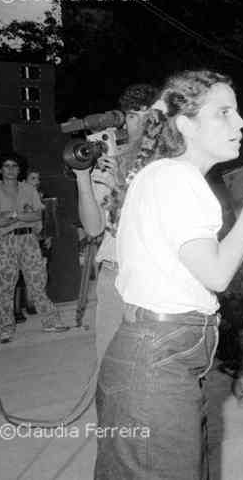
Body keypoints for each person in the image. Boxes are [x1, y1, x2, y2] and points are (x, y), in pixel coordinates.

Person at [94, 70, 243, 480]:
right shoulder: (177, 178)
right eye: (224, 113)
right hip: (156, 366)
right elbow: (216, 273)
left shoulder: (164, 175)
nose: (240, 123)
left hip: (161, 358)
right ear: (186, 125)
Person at [73, 83, 159, 361]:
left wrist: (119, 185)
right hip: (113, 275)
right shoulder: (110, 160)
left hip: (152, 276)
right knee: (108, 363)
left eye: (145, 116)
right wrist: (83, 177)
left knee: (152, 365)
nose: (138, 124)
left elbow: (154, 224)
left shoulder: (170, 165)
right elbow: (94, 227)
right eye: (132, 116)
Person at [0, 152, 69, 343]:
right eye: (6, 166)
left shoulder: (28, 190)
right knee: (6, 287)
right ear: (0, 169)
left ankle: (50, 321)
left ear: (19, 168)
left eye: (14, 166)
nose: (10, 170)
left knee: (38, 282)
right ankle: (5, 328)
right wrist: (23, 215)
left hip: (29, 240)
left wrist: (13, 215)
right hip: (5, 243)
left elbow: (39, 216)